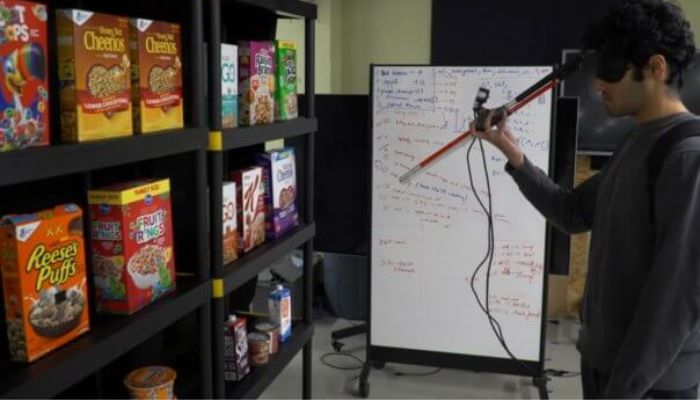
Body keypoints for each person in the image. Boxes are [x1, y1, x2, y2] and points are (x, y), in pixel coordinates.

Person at [470, 0, 700, 398]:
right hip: (601, 365)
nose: (598, 84)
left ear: (656, 68)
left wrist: (623, 388)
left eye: (611, 70)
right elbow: (572, 212)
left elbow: (676, 299)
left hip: (649, 385)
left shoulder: (686, 156)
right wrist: (513, 153)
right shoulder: (635, 141)